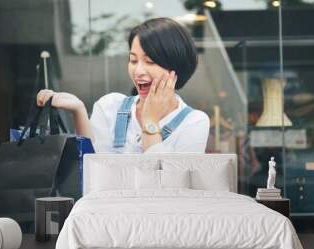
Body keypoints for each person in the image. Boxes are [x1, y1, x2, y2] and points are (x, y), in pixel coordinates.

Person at [37, 17, 209, 153]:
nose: (138, 70)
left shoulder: (194, 122)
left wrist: (150, 120)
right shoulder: (109, 106)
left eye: (150, 61)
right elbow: (92, 167)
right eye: (133, 60)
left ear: (176, 68)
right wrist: (78, 111)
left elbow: (169, 184)